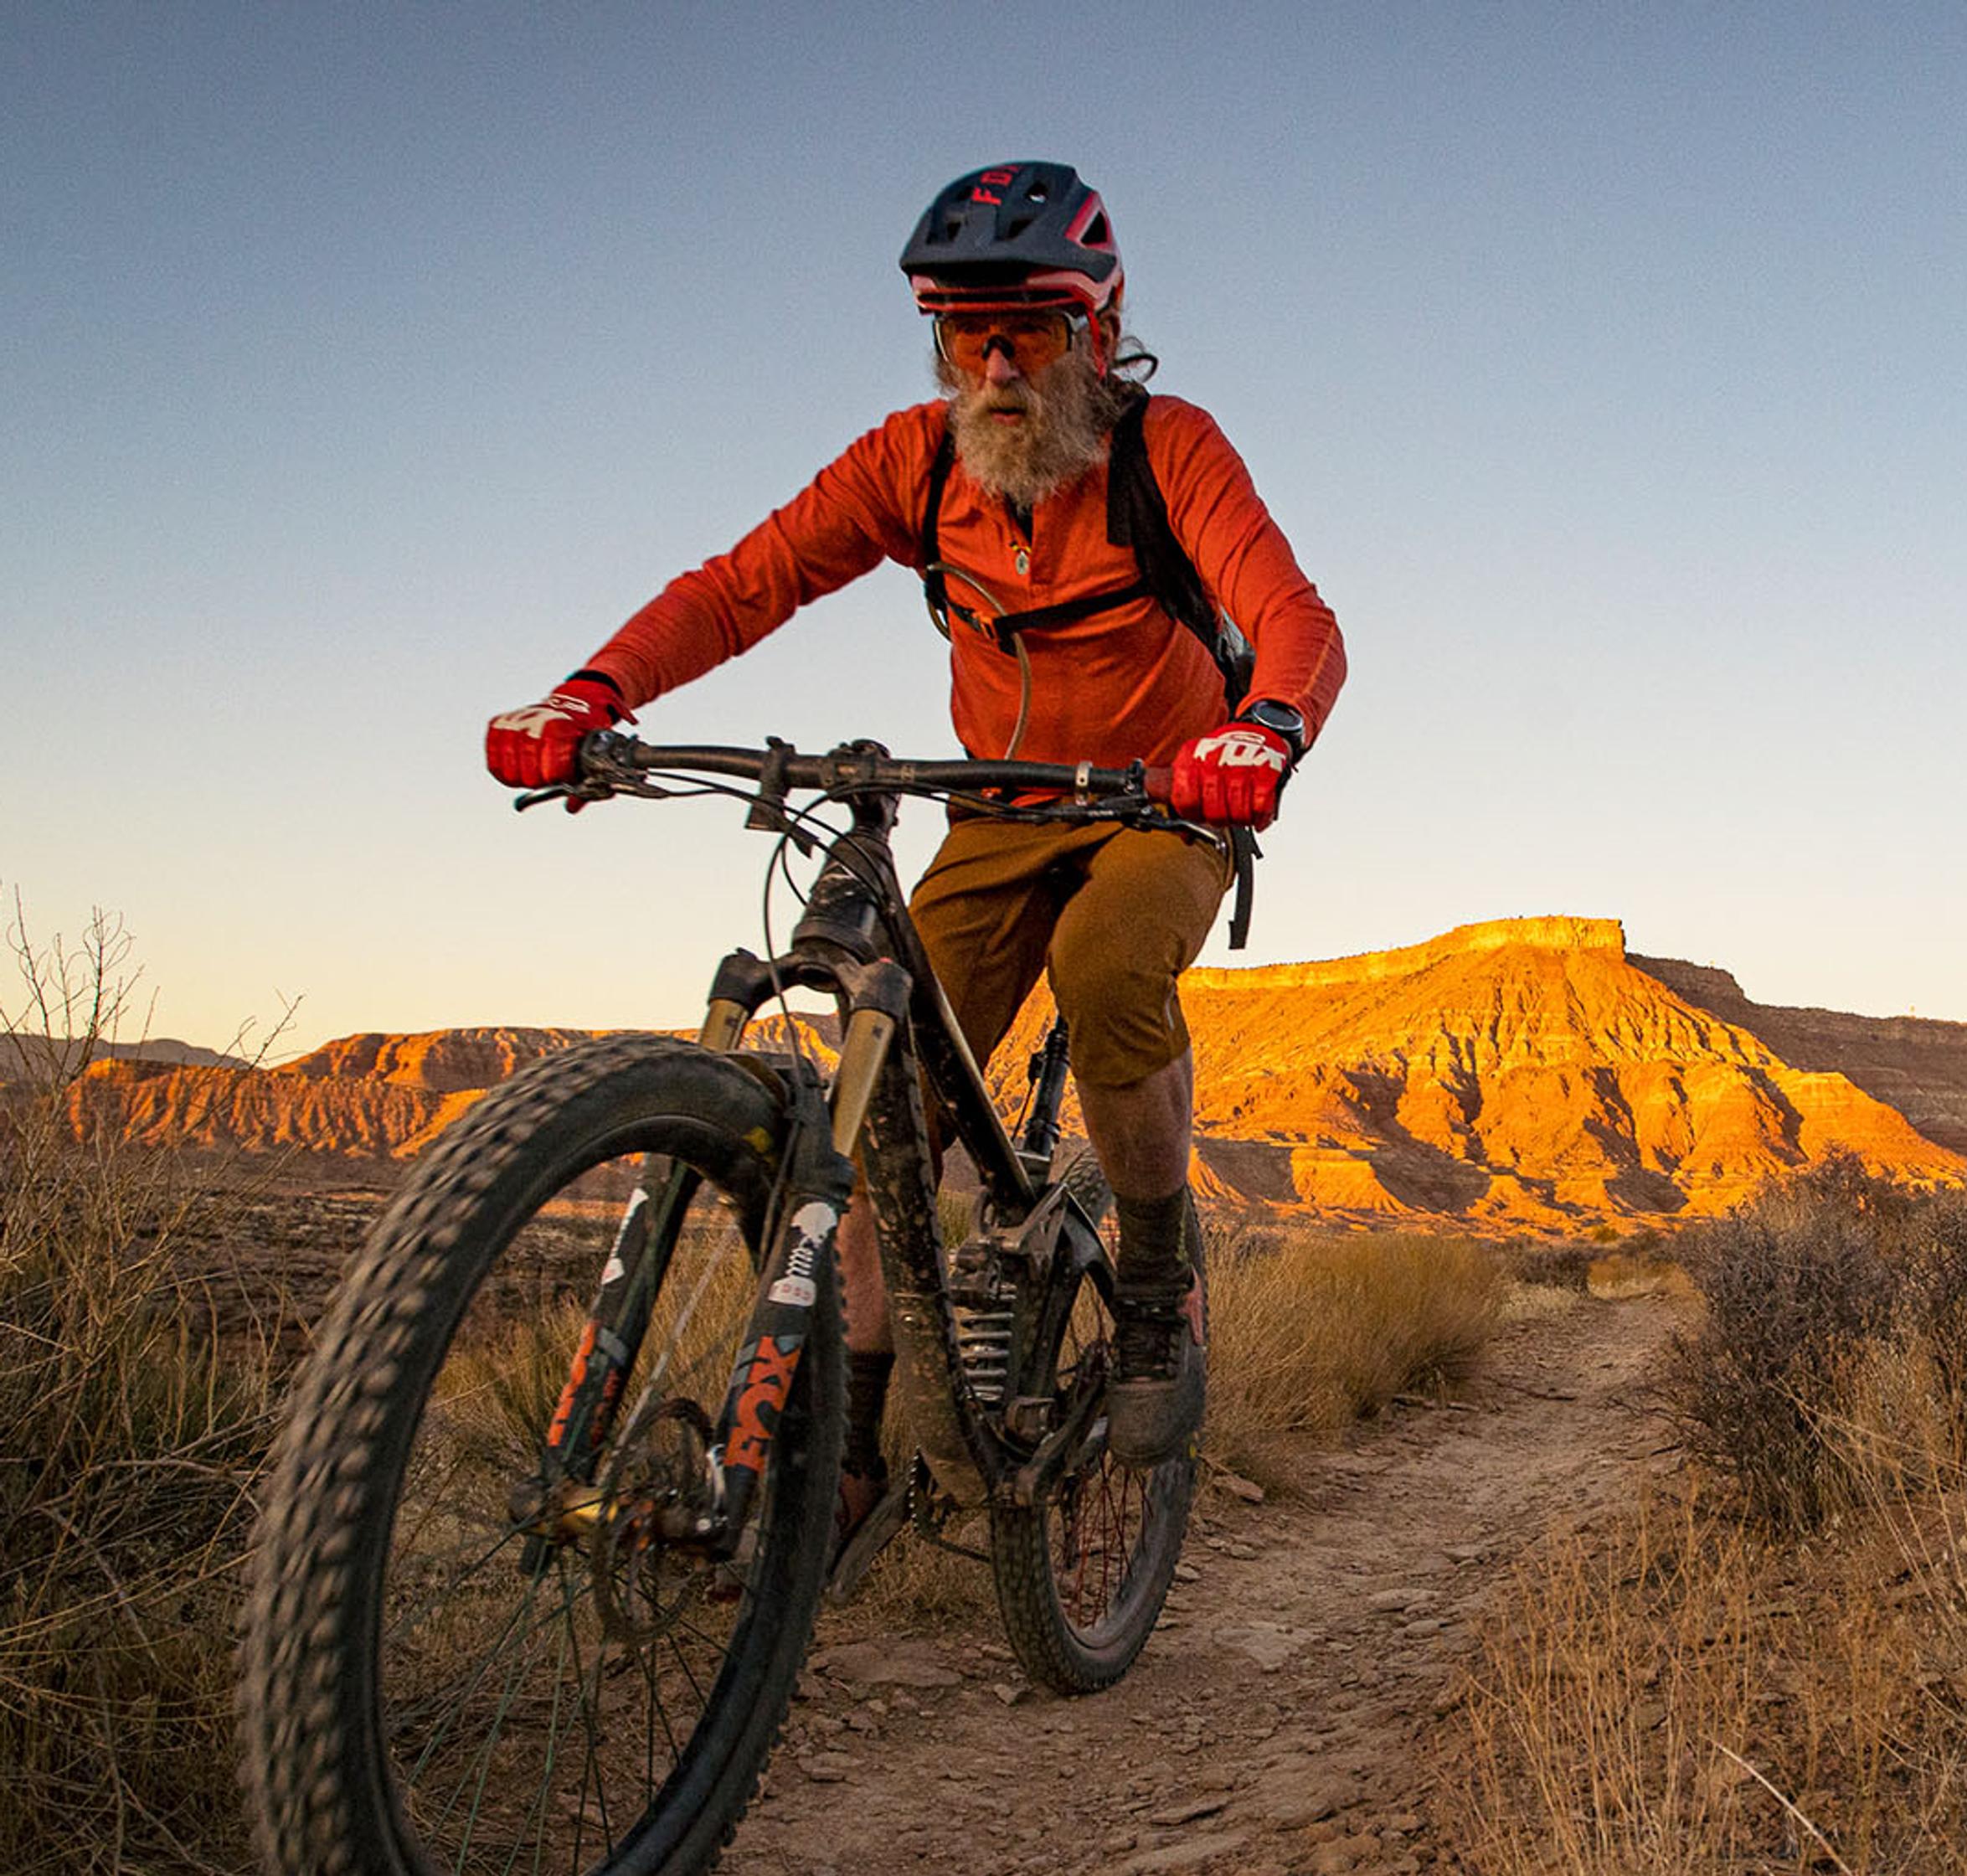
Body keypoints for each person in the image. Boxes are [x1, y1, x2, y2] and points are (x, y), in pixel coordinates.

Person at [484, 159, 1345, 1527]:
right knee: (875, 1113)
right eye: (963, 331)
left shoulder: (1166, 449)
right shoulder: (917, 463)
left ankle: (1155, 1277)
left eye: (1033, 328)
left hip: (1165, 799)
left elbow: (1293, 614)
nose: (996, 362)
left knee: (1109, 963)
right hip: (1001, 813)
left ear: (1098, 334)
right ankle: (853, 1458)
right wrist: (595, 695)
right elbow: (746, 583)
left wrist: (1270, 727)